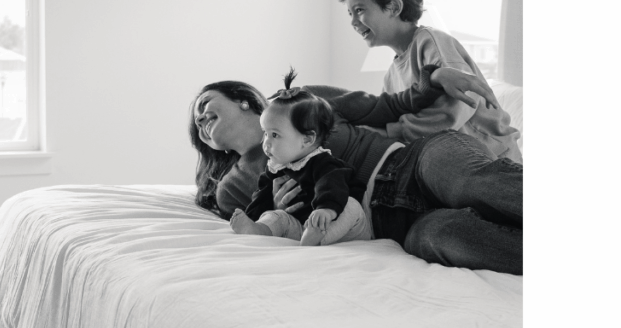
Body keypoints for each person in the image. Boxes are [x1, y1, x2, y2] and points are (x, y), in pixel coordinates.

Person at [189, 67, 522, 275]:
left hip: (410, 164)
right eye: (197, 122)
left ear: (241, 99)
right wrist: (276, 208)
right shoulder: (231, 187)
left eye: (205, 105)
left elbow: (384, 106)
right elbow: (271, 227)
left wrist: (433, 77)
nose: (201, 118)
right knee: (444, 237)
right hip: (392, 225)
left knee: (469, 183)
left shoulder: (304, 101)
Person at [339, 0, 522, 163]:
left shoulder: (431, 42)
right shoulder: (391, 77)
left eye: (359, 10)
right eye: (350, 13)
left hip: (496, 160)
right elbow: (390, 116)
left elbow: (457, 106)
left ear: (394, 7)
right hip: (452, 165)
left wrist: (391, 132)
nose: (353, 22)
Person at [231, 68, 371, 246]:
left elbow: (331, 185)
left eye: (275, 135)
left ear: (307, 139)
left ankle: (318, 237)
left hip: (347, 228)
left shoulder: (324, 163)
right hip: (302, 229)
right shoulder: (276, 168)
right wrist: (255, 216)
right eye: (265, 134)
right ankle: (258, 230)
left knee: (351, 205)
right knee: (278, 216)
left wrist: (326, 210)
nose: (266, 142)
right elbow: (261, 198)